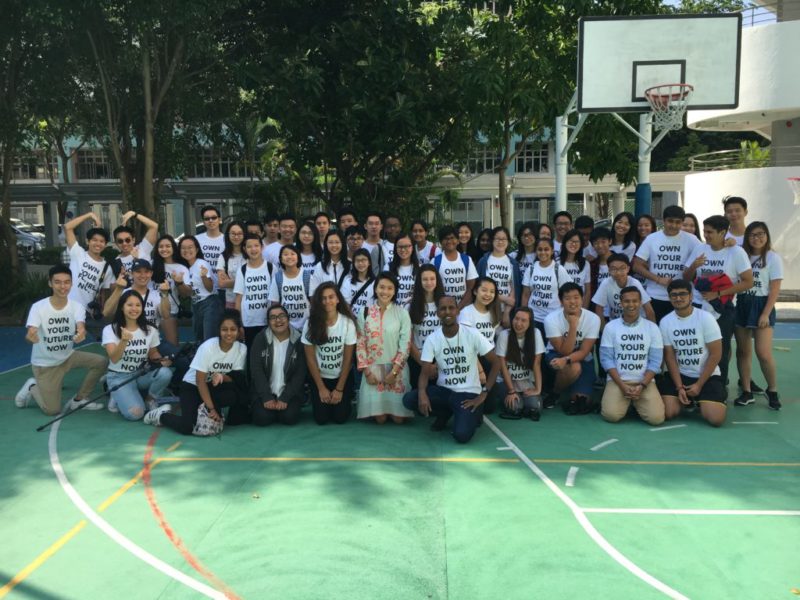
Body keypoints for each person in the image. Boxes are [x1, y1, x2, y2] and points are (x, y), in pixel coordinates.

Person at [403, 296, 501, 443]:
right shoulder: (432, 339)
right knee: (410, 399)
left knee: (461, 436)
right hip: (445, 391)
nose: (447, 312)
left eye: (451, 308)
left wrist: (483, 393)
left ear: (457, 311)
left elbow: (496, 363)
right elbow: (424, 373)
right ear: (437, 313)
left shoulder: (472, 334)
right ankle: (445, 412)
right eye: (443, 309)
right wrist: (422, 393)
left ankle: (469, 414)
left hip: (468, 394)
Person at [16, 265, 108, 415]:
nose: (62, 286)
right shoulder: (38, 307)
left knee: (101, 362)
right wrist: (30, 336)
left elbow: (81, 326)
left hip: (68, 356)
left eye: (66, 282)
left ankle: (79, 400)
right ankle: (32, 386)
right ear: (50, 283)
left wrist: (81, 333)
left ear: (71, 284)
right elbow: (31, 331)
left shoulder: (76, 307)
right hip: (45, 365)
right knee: (52, 410)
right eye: (57, 282)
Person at [145, 309, 249, 433]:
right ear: (219, 331)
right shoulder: (208, 347)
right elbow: (200, 381)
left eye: (233, 329)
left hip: (212, 385)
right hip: (192, 386)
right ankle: (160, 415)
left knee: (232, 394)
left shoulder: (241, 349)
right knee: (188, 427)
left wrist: (222, 376)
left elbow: (235, 377)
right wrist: (212, 409)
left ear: (238, 331)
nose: (228, 333)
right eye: (224, 329)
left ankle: (204, 407)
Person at [683, 214, 753, 386]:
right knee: (698, 347)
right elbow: (685, 278)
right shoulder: (700, 249)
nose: (705, 235)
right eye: (705, 231)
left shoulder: (736, 252)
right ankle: (696, 384)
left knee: (720, 348)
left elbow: (748, 281)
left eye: (710, 232)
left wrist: (719, 294)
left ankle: (718, 388)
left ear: (723, 233)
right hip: (698, 306)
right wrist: (693, 266)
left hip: (723, 308)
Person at [659, 280, 726, 427]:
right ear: (669, 298)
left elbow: (716, 354)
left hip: (707, 376)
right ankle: (687, 399)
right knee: (668, 413)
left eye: (683, 294)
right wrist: (679, 387)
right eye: (674, 295)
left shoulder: (706, 318)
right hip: (681, 375)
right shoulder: (665, 322)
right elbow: (669, 357)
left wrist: (699, 385)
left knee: (716, 420)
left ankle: (701, 399)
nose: (678, 298)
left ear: (691, 296)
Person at [102, 290, 173, 421]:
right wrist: (123, 341)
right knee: (136, 414)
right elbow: (114, 358)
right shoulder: (110, 329)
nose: (134, 309)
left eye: (138, 305)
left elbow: (152, 353)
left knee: (165, 373)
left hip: (140, 373)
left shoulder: (150, 329)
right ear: (122, 307)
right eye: (130, 305)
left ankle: (150, 399)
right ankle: (116, 393)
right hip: (119, 376)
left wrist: (161, 360)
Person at [599, 286, 665, 425]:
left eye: (635, 301)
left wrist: (642, 385)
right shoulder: (611, 327)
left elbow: (655, 361)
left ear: (641, 303)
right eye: (627, 301)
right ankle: (629, 402)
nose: (631, 305)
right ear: (621, 303)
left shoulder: (652, 327)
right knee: (611, 415)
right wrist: (622, 385)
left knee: (656, 419)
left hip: (644, 382)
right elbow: (606, 359)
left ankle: (633, 402)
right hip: (618, 381)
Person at [734, 222, 782, 409]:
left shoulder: (772, 257)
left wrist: (765, 313)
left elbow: (775, 288)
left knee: (763, 353)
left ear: (767, 235)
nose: (757, 238)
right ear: (747, 237)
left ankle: (772, 389)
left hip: (761, 304)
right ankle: (746, 391)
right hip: (742, 303)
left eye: (761, 234)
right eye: (752, 235)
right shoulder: (740, 254)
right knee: (743, 351)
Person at [356, 273, 414, 423]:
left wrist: (394, 372)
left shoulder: (402, 314)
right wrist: (367, 372)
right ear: (375, 289)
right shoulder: (364, 312)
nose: (385, 292)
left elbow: (405, 345)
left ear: (395, 291)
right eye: (382, 287)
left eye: (390, 288)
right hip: (373, 370)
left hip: (396, 370)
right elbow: (360, 343)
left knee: (398, 420)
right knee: (380, 419)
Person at [634, 205, 701, 323]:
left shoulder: (692, 240)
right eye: (670, 221)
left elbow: (709, 250)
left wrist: (727, 243)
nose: (674, 225)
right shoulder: (651, 238)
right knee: (658, 335)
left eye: (678, 222)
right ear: (663, 221)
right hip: (655, 295)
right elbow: (637, 265)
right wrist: (658, 279)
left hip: (683, 296)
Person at [302, 283, 358, 425]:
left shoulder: (347, 323)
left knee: (340, 418)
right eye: (323, 298)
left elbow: (348, 359)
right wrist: (321, 388)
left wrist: (339, 389)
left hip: (341, 378)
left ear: (338, 299)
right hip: (320, 378)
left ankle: (347, 399)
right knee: (321, 419)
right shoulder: (310, 323)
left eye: (331, 297)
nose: (327, 301)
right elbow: (310, 359)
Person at [544, 282, 601, 415]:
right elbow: (564, 351)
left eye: (576, 297)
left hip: (581, 356)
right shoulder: (551, 319)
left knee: (581, 401)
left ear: (582, 299)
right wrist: (573, 326)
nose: (572, 302)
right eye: (567, 298)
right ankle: (555, 392)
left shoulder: (593, 319)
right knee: (573, 367)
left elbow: (584, 351)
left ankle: (571, 386)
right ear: (561, 301)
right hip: (556, 353)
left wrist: (567, 359)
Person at [250, 305, 308, 426]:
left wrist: (285, 397)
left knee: (289, 418)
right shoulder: (260, 339)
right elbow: (256, 370)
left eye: (282, 316)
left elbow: (300, 373)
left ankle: (283, 407)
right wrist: (266, 396)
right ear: (268, 322)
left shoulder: (298, 340)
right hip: (265, 392)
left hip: (289, 393)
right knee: (262, 419)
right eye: (273, 317)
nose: (278, 320)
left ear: (288, 318)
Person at [63, 212, 115, 336]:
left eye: (102, 241)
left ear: (106, 244)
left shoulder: (107, 267)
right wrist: (89, 215)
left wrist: (100, 309)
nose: (98, 244)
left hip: (87, 313)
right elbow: (67, 227)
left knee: (102, 339)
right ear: (87, 241)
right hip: (66, 308)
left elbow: (105, 293)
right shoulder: (78, 254)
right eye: (94, 240)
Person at [493, 307, 544, 421]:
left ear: (530, 323)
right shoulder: (504, 335)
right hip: (507, 382)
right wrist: (511, 391)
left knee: (535, 408)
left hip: (526, 381)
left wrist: (538, 389)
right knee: (515, 408)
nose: (518, 323)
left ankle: (526, 401)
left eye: (524, 320)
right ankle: (510, 400)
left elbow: (537, 364)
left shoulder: (536, 334)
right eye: (516, 319)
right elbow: (503, 366)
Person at [520, 237, 570, 332]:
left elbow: (567, 294)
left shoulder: (559, 269)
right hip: (533, 317)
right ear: (536, 251)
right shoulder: (531, 269)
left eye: (546, 249)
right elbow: (526, 295)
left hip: (554, 317)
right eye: (540, 249)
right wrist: (524, 315)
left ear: (552, 251)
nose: (543, 252)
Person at [179, 236, 222, 342]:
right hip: (195, 304)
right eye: (183, 248)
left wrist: (203, 276)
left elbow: (210, 289)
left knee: (209, 340)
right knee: (199, 339)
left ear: (197, 249)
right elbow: (186, 294)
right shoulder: (183, 268)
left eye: (190, 247)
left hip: (209, 303)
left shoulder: (201, 264)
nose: (187, 251)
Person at [234, 233, 273, 348]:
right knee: (251, 354)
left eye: (256, 245)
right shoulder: (242, 270)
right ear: (244, 249)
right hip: (248, 322)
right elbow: (238, 299)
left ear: (262, 247)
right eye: (249, 246)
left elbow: (276, 297)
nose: (253, 249)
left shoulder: (271, 268)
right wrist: (239, 324)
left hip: (268, 321)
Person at [408, 265, 444, 389]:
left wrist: (436, 365)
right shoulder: (410, 306)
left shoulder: (445, 303)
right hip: (418, 359)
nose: (429, 282)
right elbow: (409, 341)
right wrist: (425, 365)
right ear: (419, 281)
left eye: (432, 279)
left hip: (442, 359)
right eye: (425, 279)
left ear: (437, 280)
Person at [477, 226, 521, 327]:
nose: (500, 242)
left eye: (503, 239)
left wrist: (506, 312)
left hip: (506, 311)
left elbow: (514, 289)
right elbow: (479, 288)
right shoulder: (483, 261)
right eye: (497, 239)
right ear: (492, 241)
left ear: (508, 241)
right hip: (487, 308)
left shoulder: (513, 263)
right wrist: (504, 299)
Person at [592, 254, 655, 323]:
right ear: (609, 270)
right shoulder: (606, 283)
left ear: (628, 269)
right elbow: (599, 309)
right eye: (614, 269)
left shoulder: (634, 283)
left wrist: (652, 330)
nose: (618, 273)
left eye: (622, 268)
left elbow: (649, 310)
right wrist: (603, 330)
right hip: (616, 323)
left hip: (637, 322)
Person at [151, 234, 189, 346]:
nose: (164, 249)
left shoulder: (181, 268)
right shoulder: (151, 264)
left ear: (173, 247)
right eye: (161, 246)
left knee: (173, 347)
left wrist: (179, 282)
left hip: (170, 310)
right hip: (150, 310)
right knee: (150, 346)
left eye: (168, 246)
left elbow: (186, 294)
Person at [433, 225, 478, 309]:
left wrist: (459, 307)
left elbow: (471, 287)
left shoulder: (467, 259)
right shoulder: (435, 261)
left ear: (458, 240)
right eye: (446, 238)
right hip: (442, 308)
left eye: (452, 238)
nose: (449, 241)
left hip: (464, 308)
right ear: (441, 242)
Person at [269, 245, 311, 332]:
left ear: (298, 257)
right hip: (286, 326)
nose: (289, 257)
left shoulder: (307, 276)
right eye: (285, 254)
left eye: (293, 254)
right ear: (280, 259)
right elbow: (275, 304)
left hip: (307, 325)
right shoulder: (277, 278)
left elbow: (314, 301)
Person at [111, 211, 160, 281]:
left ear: (133, 240)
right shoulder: (116, 262)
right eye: (120, 241)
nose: (124, 243)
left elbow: (154, 227)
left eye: (127, 240)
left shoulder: (142, 248)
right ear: (116, 243)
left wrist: (135, 215)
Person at [458, 277, 501, 347]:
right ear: (475, 291)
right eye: (484, 290)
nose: (488, 294)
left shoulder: (494, 312)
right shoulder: (466, 312)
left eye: (492, 291)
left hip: (490, 354)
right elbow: (464, 341)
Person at [310, 230, 350, 296]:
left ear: (342, 244)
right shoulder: (320, 266)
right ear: (326, 244)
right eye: (330, 242)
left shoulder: (350, 266)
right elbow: (313, 292)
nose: (334, 245)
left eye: (337, 242)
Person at [216, 221, 246, 309]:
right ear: (228, 235)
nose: (236, 237)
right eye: (233, 234)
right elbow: (222, 283)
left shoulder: (250, 255)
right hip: (231, 301)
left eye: (239, 233)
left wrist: (230, 281)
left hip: (249, 300)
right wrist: (246, 280)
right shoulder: (223, 257)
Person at [559, 229, 591, 308]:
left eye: (577, 242)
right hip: (559, 307)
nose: (573, 244)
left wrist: (583, 311)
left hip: (578, 306)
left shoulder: (585, 264)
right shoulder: (556, 263)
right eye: (570, 241)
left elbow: (587, 291)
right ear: (565, 242)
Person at [341, 248, 376, 316]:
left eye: (363, 260)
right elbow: (346, 305)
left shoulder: (376, 282)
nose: (360, 263)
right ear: (353, 263)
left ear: (369, 262)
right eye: (357, 260)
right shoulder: (348, 282)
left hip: (370, 320)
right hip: (352, 319)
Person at [387, 234, 419, 307]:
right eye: (400, 247)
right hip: (393, 311)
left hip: (413, 312)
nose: (403, 250)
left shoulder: (420, 268)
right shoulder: (388, 267)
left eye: (407, 246)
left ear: (413, 247)